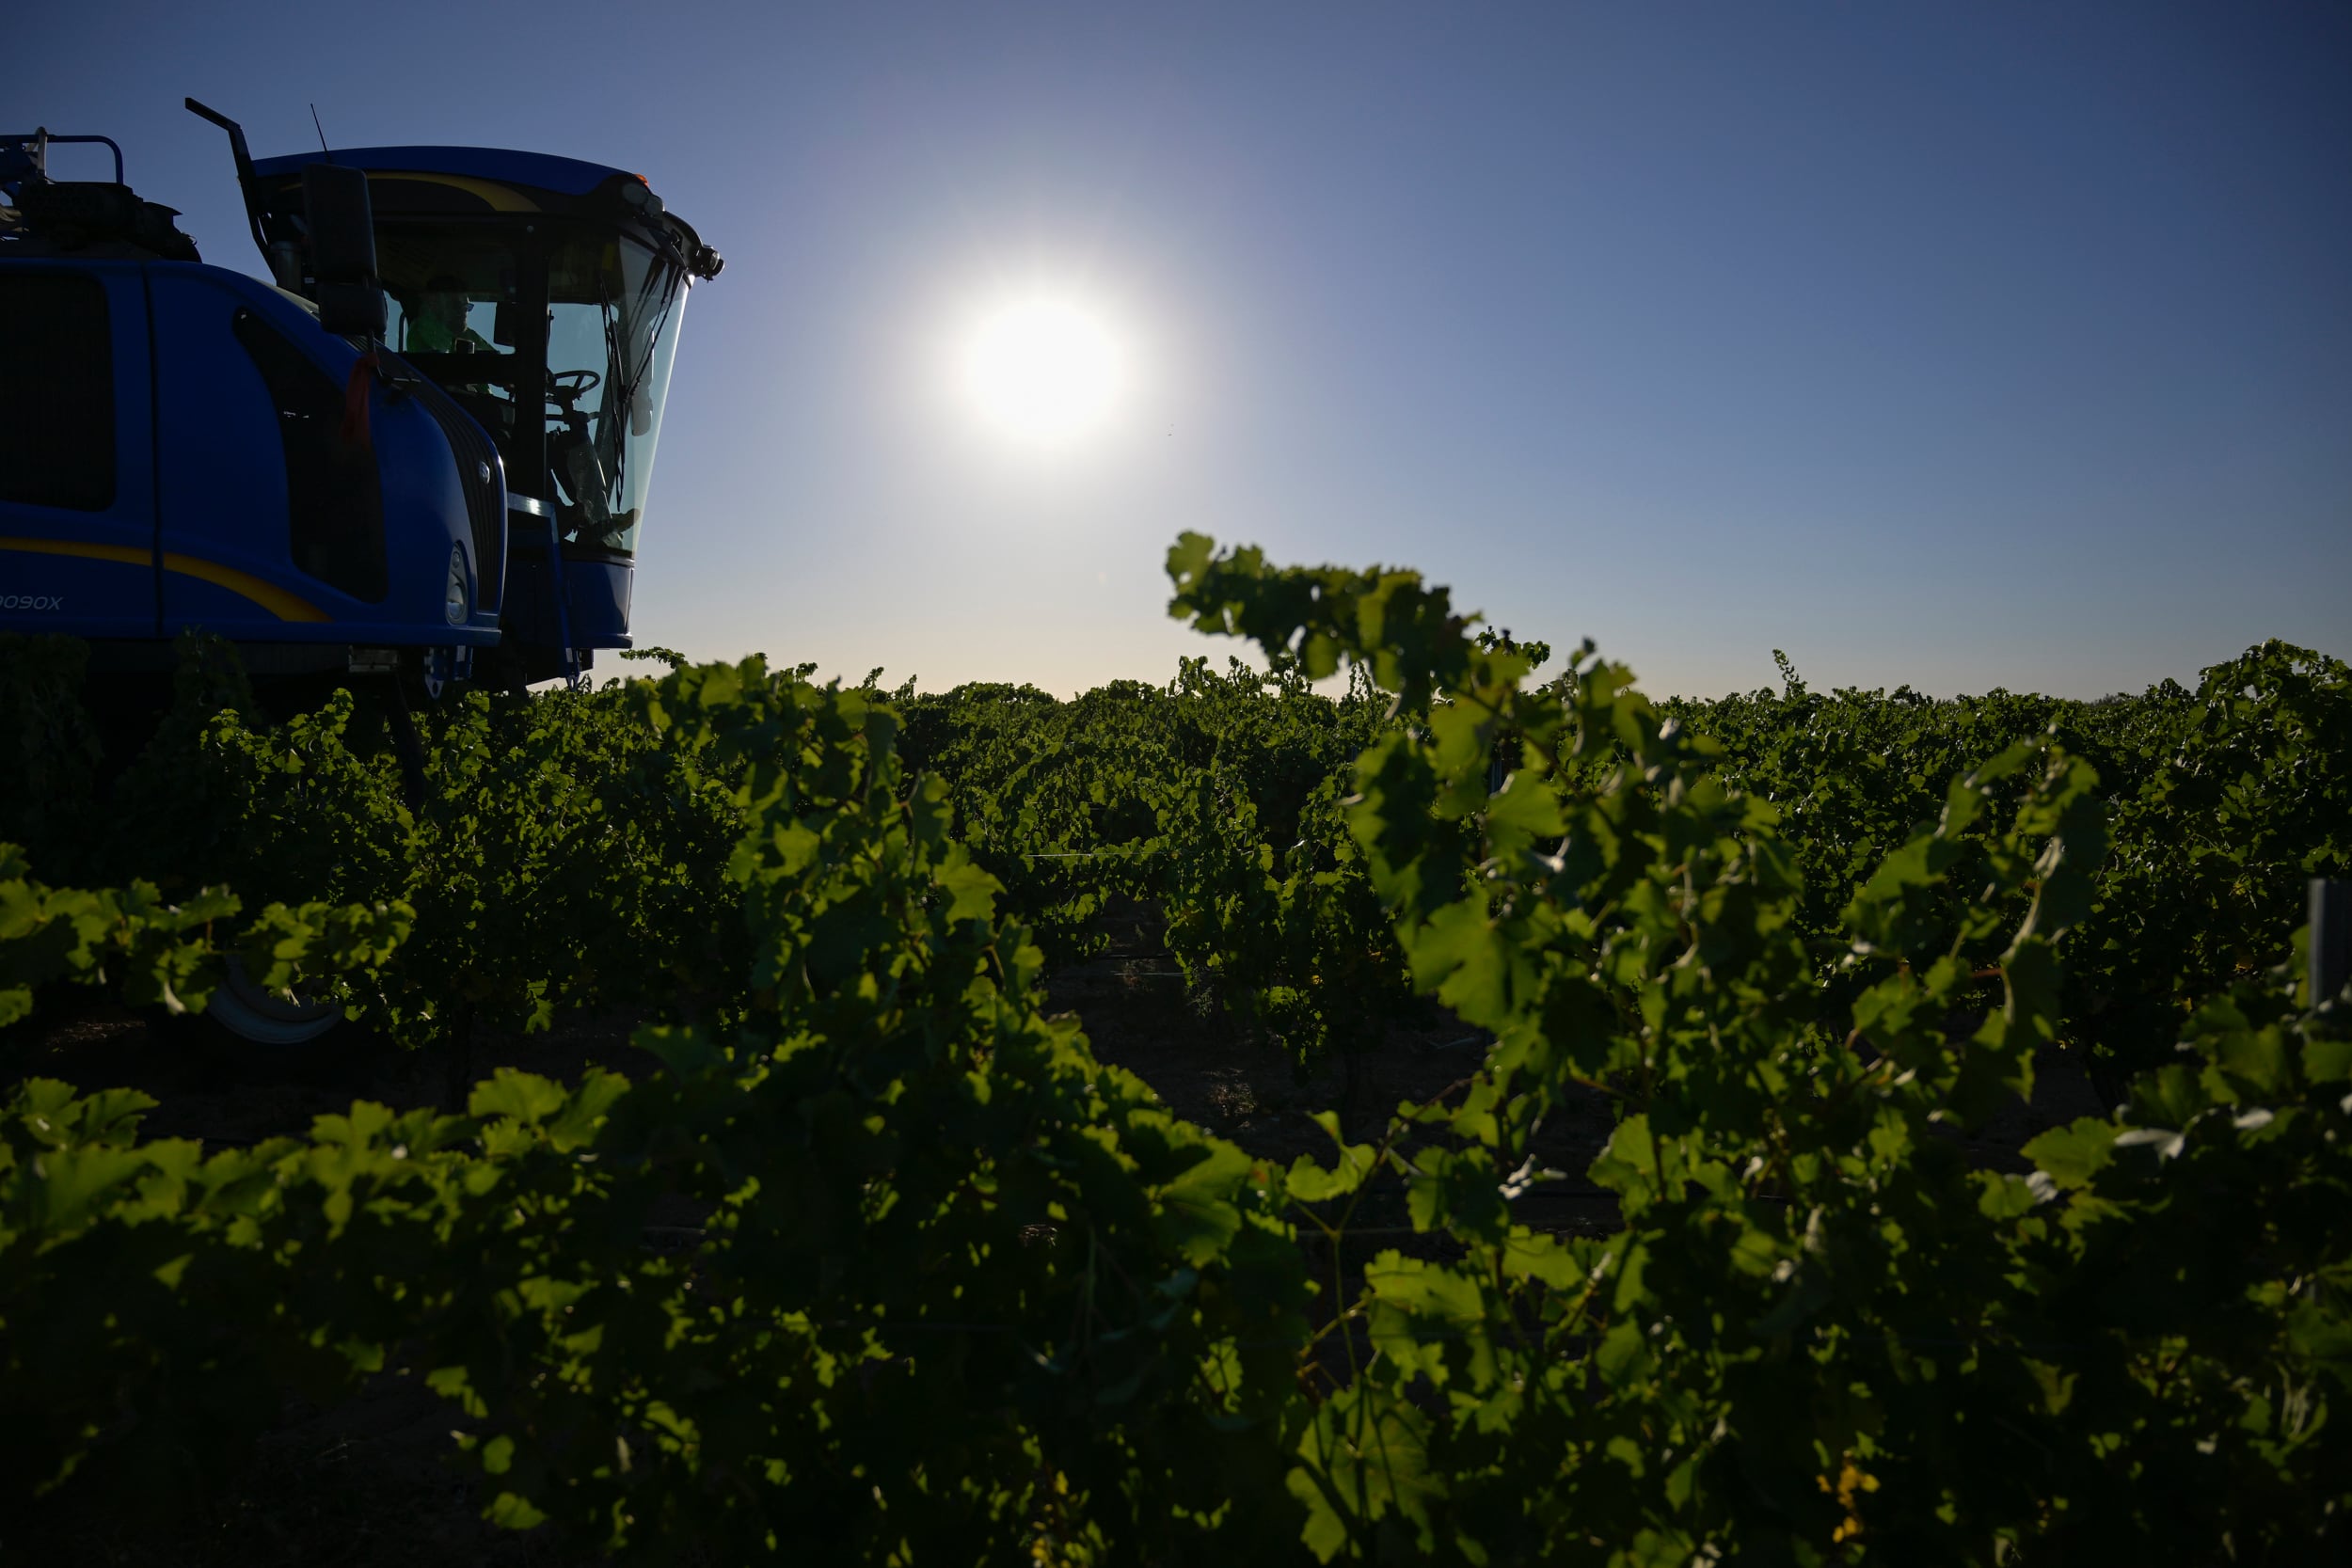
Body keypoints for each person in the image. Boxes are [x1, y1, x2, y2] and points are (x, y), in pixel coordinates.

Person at [404, 275, 493, 353]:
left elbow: (494, 356)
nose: (464, 310)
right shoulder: (423, 330)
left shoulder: (468, 334)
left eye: (467, 306)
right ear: (435, 304)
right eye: (456, 305)